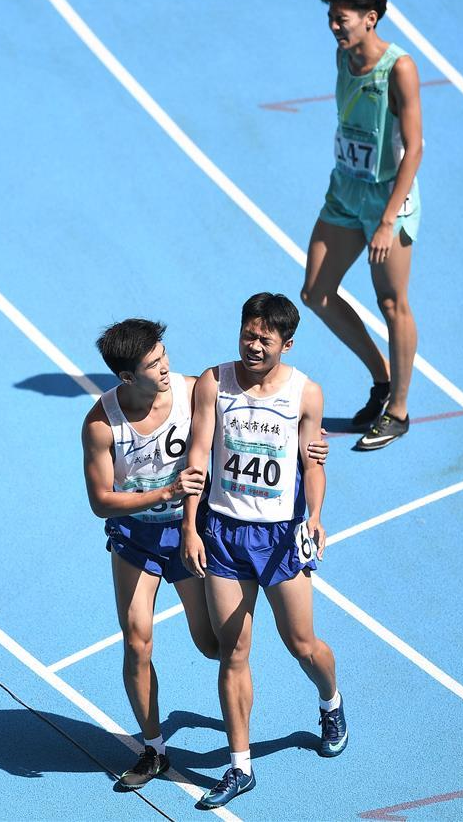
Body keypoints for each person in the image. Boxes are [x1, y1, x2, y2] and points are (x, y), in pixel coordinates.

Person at [81, 318, 330, 790]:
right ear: (127, 377)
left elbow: (249, 423)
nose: (165, 365)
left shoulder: (193, 390)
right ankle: (153, 749)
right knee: (137, 641)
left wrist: (309, 446)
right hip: (137, 539)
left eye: (163, 354)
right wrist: (162, 494)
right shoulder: (101, 424)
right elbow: (100, 502)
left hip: (193, 532)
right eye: (153, 363)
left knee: (213, 645)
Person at [181, 294, 347, 810]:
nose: (253, 346)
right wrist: (190, 527)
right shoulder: (214, 382)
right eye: (247, 335)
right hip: (224, 534)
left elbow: (313, 462)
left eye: (264, 340)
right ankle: (240, 766)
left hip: (279, 539)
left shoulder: (305, 394)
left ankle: (331, 701)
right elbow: (196, 457)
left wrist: (314, 516)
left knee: (302, 644)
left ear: (286, 343)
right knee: (232, 652)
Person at [301, 0, 422, 450]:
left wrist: (389, 220)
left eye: (341, 18)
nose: (333, 26)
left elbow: (413, 149)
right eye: (330, 17)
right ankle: (382, 376)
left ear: (371, 18)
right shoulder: (342, 56)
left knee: (393, 304)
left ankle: (399, 409)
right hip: (345, 191)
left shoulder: (400, 69)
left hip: (388, 198)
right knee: (315, 292)